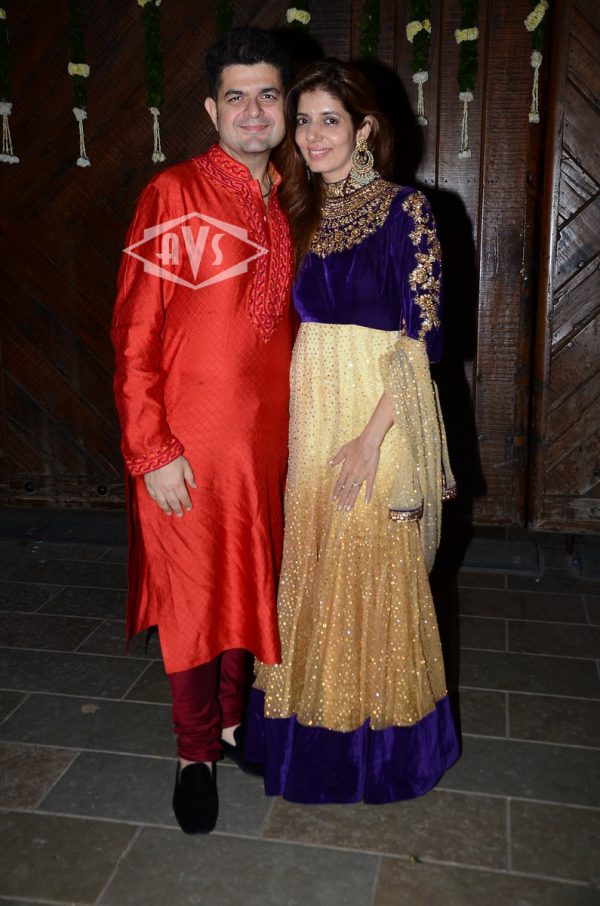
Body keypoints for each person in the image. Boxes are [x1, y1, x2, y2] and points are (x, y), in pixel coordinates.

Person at [246, 60, 460, 803]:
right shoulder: (297, 212)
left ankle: (383, 752)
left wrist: (371, 440)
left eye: (329, 120)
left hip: (381, 413)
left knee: (375, 567)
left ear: (365, 128)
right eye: (303, 121)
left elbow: (421, 337)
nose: (312, 135)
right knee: (311, 567)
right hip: (312, 414)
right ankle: (303, 736)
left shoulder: (408, 211)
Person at [111, 29, 294, 833]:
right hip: (186, 447)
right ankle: (194, 755)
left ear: (284, 107)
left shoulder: (290, 201)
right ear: (212, 110)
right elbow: (133, 334)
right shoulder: (174, 193)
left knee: (246, 584)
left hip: (265, 448)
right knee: (192, 600)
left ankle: (229, 724)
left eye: (268, 95)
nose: (253, 111)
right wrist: (152, 449)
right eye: (236, 96)